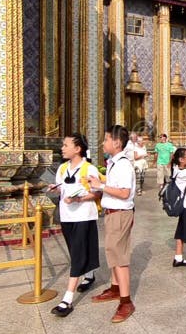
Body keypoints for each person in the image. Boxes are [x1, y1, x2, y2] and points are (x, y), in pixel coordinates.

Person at [48, 133, 100, 318]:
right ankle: (90, 274)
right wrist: (55, 188)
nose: (62, 148)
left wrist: (78, 198)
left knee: (78, 251)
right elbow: (62, 188)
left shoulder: (89, 168)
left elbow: (96, 193)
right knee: (74, 248)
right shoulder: (62, 168)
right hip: (67, 215)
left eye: (66, 145)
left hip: (84, 215)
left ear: (77, 149)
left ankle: (67, 298)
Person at [88, 125, 137, 323]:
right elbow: (116, 185)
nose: (103, 143)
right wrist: (99, 181)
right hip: (112, 212)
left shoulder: (123, 164)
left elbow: (124, 192)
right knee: (112, 252)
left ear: (116, 143)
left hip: (120, 213)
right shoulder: (114, 163)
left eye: (106, 139)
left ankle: (126, 301)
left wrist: (100, 186)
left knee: (119, 255)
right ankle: (116, 288)